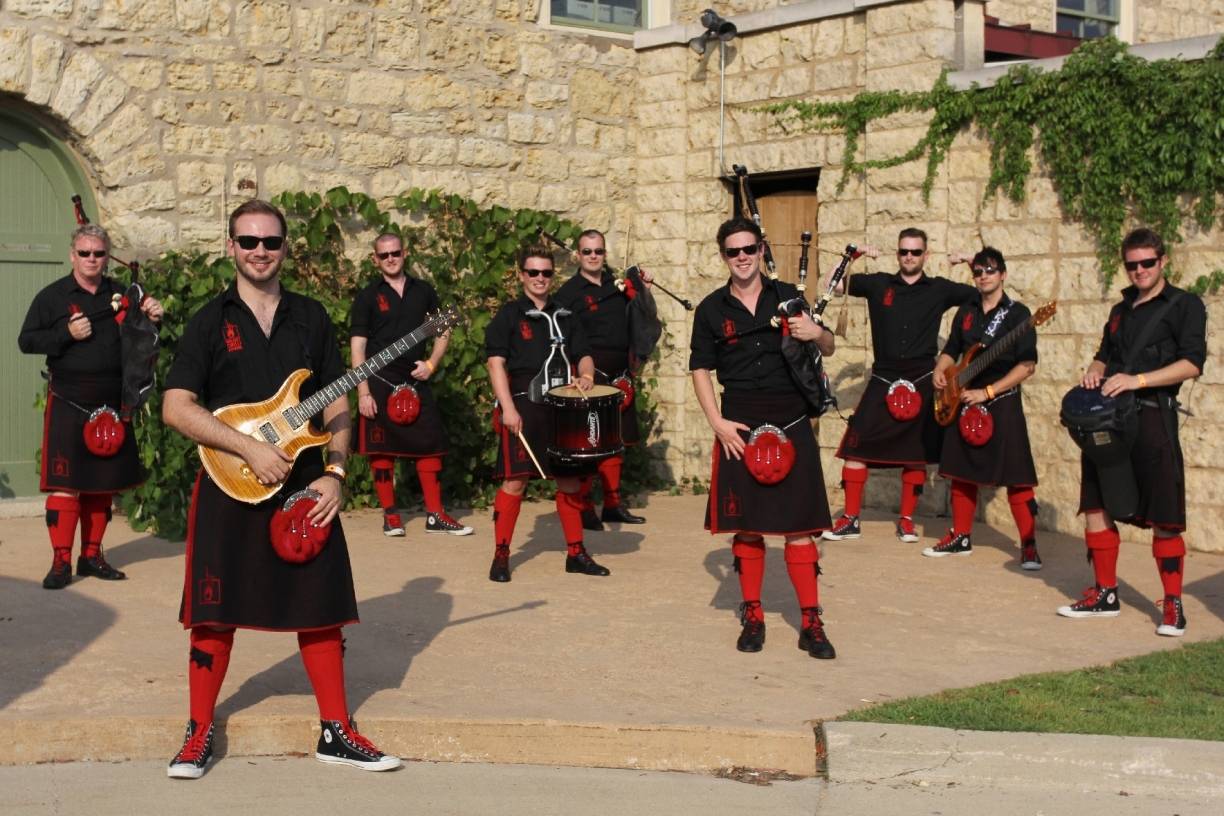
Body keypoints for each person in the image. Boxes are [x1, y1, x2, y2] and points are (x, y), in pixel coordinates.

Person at [161, 200, 398, 778]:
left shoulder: (310, 317)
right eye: (248, 241)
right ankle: (197, 733)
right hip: (230, 482)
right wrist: (247, 449)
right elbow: (176, 406)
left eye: (270, 241)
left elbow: (337, 404)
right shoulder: (209, 321)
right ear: (231, 247)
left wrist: (336, 473)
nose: (260, 251)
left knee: (320, 608)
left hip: (305, 487)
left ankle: (336, 731)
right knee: (213, 613)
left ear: (285, 247)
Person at [689, 217, 836, 658]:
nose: (742, 258)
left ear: (760, 250)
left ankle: (810, 622)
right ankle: (753, 614)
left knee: (800, 529)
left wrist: (817, 333)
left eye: (749, 249)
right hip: (739, 427)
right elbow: (700, 368)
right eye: (733, 251)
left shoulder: (788, 296)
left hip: (791, 421)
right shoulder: (711, 309)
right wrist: (716, 420)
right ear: (724, 256)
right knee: (748, 528)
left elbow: (827, 346)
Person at [1057, 228, 1205, 637]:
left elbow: (1192, 363)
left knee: (1164, 513)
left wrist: (1137, 380)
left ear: (1163, 261)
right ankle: (1105, 594)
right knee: (1095, 503)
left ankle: (1172, 605)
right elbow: (1103, 356)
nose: (1139, 271)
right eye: (1132, 265)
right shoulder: (1120, 310)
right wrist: (1095, 373)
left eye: (1147, 263)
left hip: (1153, 417)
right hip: (1107, 421)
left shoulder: (1185, 305)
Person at [17, 223, 164, 589]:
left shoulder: (122, 294)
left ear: (106, 256)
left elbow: (141, 338)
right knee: (65, 484)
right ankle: (60, 562)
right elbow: (26, 341)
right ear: (73, 255)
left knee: (101, 484)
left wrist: (152, 317)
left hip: (112, 400)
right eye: (84, 253)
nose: (92, 259)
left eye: (99, 253)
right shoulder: (52, 297)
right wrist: (65, 334)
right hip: (68, 398)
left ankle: (92, 557)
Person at [823, 228, 976, 545]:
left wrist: (972, 261)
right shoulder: (879, 284)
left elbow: (983, 294)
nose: (909, 257)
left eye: (915, 252)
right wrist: (851, 256)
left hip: (921, 378)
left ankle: (906, 520)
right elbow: (831, 285)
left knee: (914, 454)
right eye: (904, 251)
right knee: (855, 446)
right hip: (883, 377)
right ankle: (850, 518)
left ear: (925, 255)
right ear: (897, 254)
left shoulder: (939, 289)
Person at [484, 244, 610, 583]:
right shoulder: (509, 315)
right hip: (523, 404)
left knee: (569, 481)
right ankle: (501, 554)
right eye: (533, 272)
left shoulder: (567, 314)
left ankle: (576, 553)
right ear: (521, 275)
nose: (540, 278)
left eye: (546, 273)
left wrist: (586, 375)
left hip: (562, 408)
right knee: (515, 481)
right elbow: (496, 363)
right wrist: (508, 408)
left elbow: (584, 353)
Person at [351, 232, 472, 538]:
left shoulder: (424, 291)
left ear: (405, 253)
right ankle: (391, 516)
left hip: (415, 379)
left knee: (430, 445)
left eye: (395, 253)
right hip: (379, 379)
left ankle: (435, 515)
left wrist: (432, 363)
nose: (390, 259)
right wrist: (363, 391)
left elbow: (444, 328)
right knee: (381, 451)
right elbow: (358, 347)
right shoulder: (367, 296)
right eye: (384, 255)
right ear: (375, 259)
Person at [927, 248, 1041, 567]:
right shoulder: (966, 311)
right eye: (978, 271)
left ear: (1003, 274)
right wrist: (941, 369)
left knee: (1017, 476)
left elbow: (1027, 366)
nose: (984, 276)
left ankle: (1029, 545)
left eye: (990, 270)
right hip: (963, 397)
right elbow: (952, 350)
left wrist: (988, 392)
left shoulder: (1018, 314)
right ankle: (961, 537)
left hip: (1001, 399)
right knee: (960, 471)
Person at [554, 229, 648, 529]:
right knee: (589, 445)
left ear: (605, 254)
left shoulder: (615, 285)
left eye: (598, 251)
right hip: (589, 375)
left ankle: (612, 505)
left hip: (621, 373)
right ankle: (583, 507)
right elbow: (561, 338)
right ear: (577, 255)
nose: (593, 256)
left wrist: (643, 290)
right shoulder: (568, 293)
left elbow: (641, 318)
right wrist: (575, 375)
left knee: (615, 441)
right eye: (587, 251)